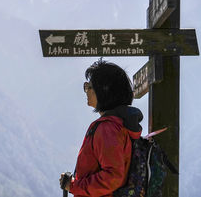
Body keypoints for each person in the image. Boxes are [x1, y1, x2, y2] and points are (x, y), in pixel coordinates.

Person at [60, 59, 143, 196]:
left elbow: (112, 177)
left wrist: (73, 185)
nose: (86, 91)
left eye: (89, 86)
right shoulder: (119, 124)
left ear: (104, 91)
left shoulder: (107, 128)